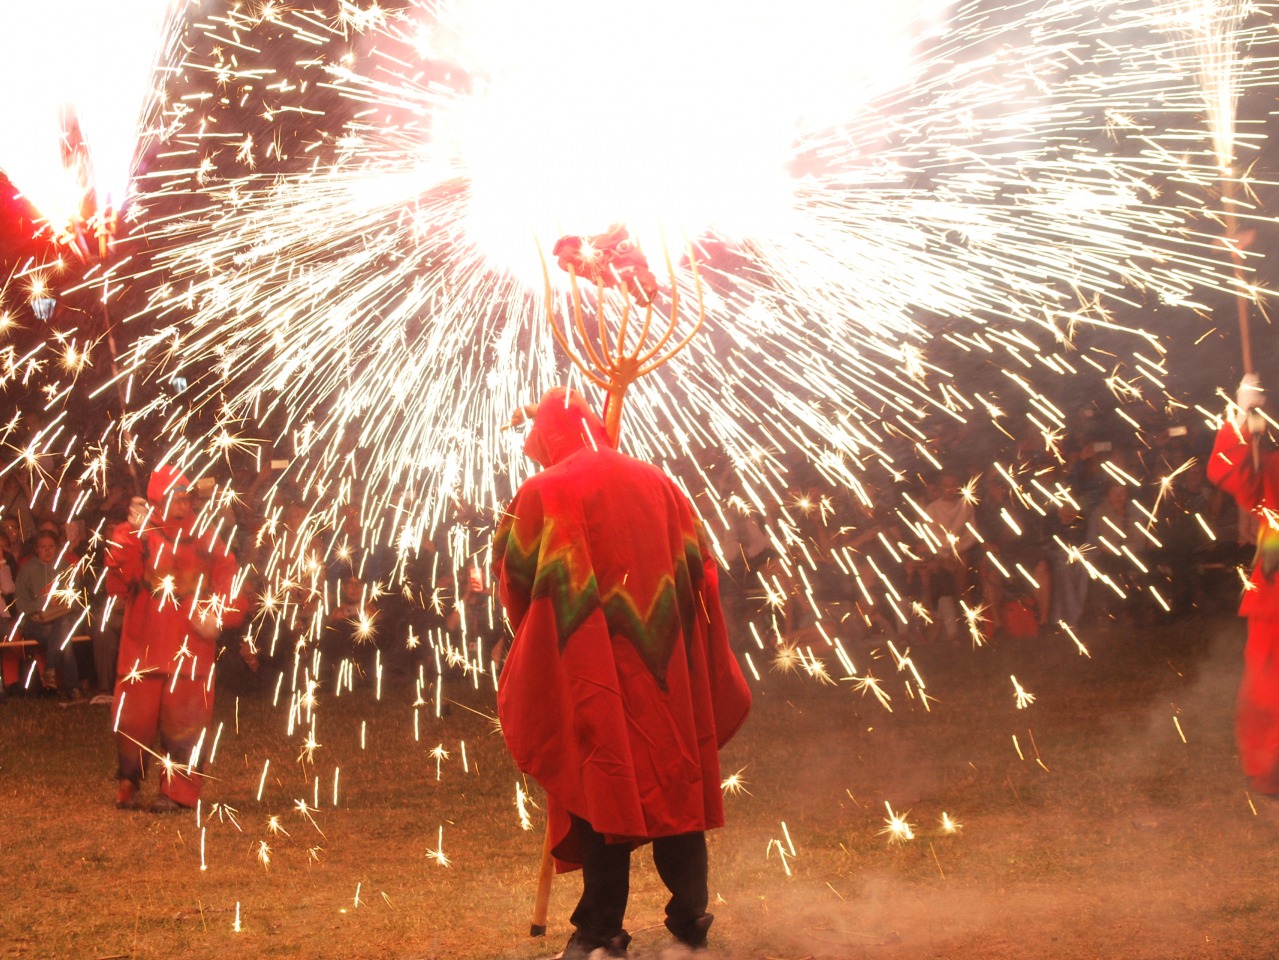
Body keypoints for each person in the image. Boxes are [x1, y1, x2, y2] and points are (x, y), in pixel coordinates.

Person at [493, 387, 751, 959]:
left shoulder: (544, 489)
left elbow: (516, 581)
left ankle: (602, 929)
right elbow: (701, 575)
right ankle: (691, 917)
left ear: (547, 439)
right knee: (674, 772)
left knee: (598, 782)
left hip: (592, 666)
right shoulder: (663, 484)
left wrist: (540, 638)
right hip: (665, 667)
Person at [105, 465, 249, 811]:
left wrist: (219, 616)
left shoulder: (207, 537)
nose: (182, 506)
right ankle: (128, 783)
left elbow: (232, 587)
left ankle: (178, 794)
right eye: (175, 499)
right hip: (142, 651)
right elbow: (116, 579)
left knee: (185, 727)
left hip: (190, 655)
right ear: (157, 498)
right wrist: (130, 533)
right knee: (132, 724)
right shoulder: (139, 533)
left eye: (187, 499)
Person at [1207, 374, 1279, 798]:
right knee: (1267, 684)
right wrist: (1241, 417)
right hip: (1276, 588)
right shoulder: (1271, 465)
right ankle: (1271, 766)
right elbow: (1227, 471)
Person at [12, 530, 82, 701]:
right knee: (62, 638)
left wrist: (61, 600)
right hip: (35, 622)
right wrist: (41, 604)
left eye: (51, 546)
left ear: (57, 548)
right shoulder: (27, 570)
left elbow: (76, 598)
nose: (47, 551)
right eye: (43, 547)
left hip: (61, 619)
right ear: (36, 549)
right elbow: (20, 603)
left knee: (62, 627)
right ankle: (73, 688)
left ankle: (50, 669)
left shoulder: (65, 568)